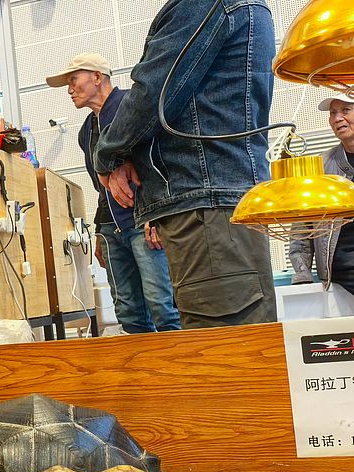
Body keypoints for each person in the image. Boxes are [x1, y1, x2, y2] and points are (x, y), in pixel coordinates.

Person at [93, 0, 277, 329]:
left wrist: (107, 155)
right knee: (234, 343)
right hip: (214, 204)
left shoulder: (205, 3)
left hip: (206, 207)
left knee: (222, 350)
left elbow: (154, 92)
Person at [46, 53, 180, 334]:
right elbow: (102, 187)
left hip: (143, 222)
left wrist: (158, 215)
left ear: (97, 77)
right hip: (112, 229)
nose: (70, 90)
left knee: (163, 306)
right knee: (127, 311)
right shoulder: (86, 131)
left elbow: (159, 163)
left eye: (73, 80)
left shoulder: (133, 106)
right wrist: (100, 232)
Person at [289, 94, 354, 296]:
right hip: (340, 276)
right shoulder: (320, 166)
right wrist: (302, 274)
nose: (337, 118)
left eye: (346, 110)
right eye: (333, 113)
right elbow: (301, 227)